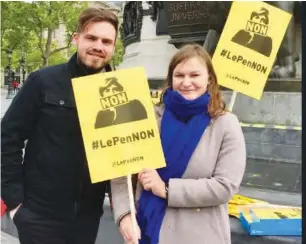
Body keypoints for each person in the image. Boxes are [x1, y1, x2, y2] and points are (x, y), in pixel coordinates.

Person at [1, 8, 118, 244]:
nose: (98, 45)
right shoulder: (43, 81)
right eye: (91, 38)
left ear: (114, 47)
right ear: (76, 38)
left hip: (88, 218)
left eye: (106, 41)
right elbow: (7, 137)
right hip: (39, 216)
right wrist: (15, 202)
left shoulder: (122, 91)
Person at [111, 44, 246, 244]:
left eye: (194, 75)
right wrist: (124, 216)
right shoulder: (147, 117)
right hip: (145, 230)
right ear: (171, 79)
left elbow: (225, 186)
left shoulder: (225, 123)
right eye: (179, 75)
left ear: (209, 78)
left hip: (200, 236)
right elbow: (120, 171)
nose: (186, 82)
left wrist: (166, 189)